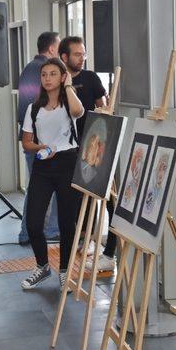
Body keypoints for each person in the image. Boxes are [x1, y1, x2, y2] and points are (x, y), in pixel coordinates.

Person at [20, 58, 84, 290]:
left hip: (68, 163)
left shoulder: (69, 104)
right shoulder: (33, 108)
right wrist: (40, 148)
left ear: (62, 77)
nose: (47, 78)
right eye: (44, 74)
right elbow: (26, 142)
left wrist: (68, 86)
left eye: (53, 74)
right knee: (34, 223)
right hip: (43, 165)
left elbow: (79, 111)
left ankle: (65, 271)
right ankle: (43, 266)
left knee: (68, 223)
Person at [59, 36, 116, 272]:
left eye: (84, 54)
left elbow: (103, 107)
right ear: (64, 57)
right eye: (77, 54)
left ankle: (99, 243)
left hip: (95, 144)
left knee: (102, 195)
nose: (81, 58)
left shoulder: (91, 78)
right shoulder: (58, 79)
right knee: (77, 197)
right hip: (69, 148)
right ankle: (82, 237)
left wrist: (106, 113)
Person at [17, 31, 61, 245]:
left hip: (30, 140)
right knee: (41, 190)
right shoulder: (44, 71)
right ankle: (42, 231)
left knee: (34, 188)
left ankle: (28, 232)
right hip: (40, 143)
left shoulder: (28, 68)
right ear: (52, 49)